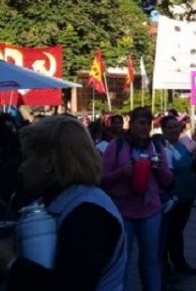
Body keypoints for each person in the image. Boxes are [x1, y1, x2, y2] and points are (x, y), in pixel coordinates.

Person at [0, 116, 126, 290]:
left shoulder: (90, 213)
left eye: (26, 157)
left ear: (49, 160)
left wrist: (10, 262)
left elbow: (70, 285)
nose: (21, 167)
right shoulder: (60, 200)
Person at [102, 107, 173, 291]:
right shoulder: (116, 146)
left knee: (151, 260)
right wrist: (121, 173)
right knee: (122, 260)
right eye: (141, 123)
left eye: (148, 124)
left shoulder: (156, 147)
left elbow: (168, 181)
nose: (145, 127)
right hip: (123, 211)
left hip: (150, 210)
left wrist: (159, 168)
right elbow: (101, 178)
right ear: (131, 124)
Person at [159, 115, 196, 275]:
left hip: (186, 197)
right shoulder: (162, 148)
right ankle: (167, 265)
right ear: (163, 130)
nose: (174, 130)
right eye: (170, 127)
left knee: (177, 232)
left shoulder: (182, 145)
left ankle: (178, 262)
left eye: (176, 126)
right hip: (170, 199)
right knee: (169, 233)